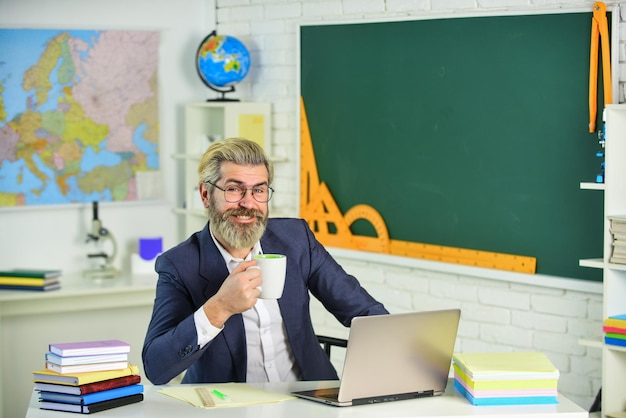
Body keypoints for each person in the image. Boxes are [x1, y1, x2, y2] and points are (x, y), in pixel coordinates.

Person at [142, 137, 388, 385]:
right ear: (206, 195)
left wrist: (410, 353)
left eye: (258, 190)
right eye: (234, 189)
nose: (248, 203)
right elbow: (156, 367)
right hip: (229, 407)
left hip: (309, 399)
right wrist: (220, 307)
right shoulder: (178, 265)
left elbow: (362, 310)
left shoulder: (296, 240)